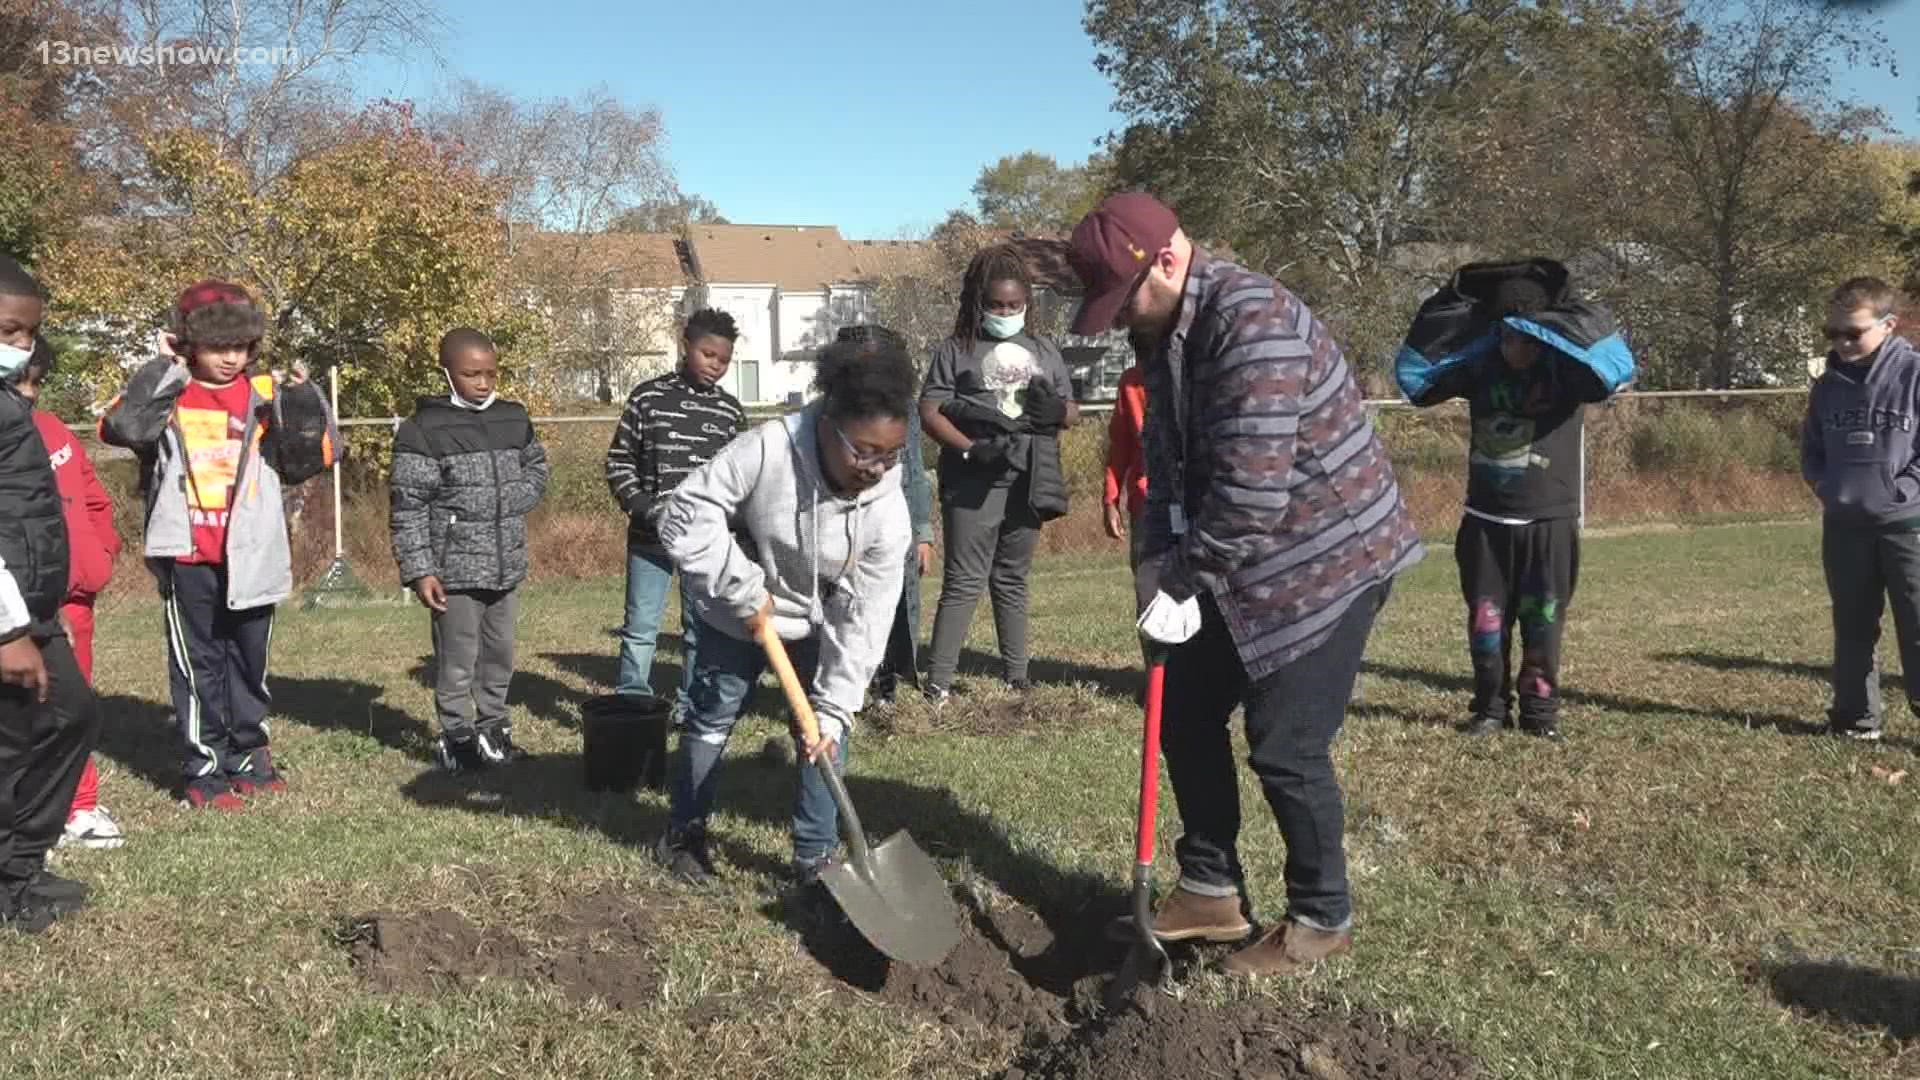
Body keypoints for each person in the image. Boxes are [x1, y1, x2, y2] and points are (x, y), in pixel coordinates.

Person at [1068, 193, 1421, 977]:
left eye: (1125, 301)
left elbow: (1252, 497)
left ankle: (1321, 922)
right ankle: (1209, 891)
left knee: (1286, 745)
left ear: (1166, 260)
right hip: (1237, 560)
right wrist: (1156, 580)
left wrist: (1185, 578)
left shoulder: (1251, 321)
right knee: (1184, 711)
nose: (1124, 319)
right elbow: (1165, 469)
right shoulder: (1163, 334)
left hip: (1328, 559)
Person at [653, 334, 914, 886]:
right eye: (864, 451)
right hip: (736, 610)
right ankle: (683, 835)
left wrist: (839, 703)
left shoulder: (888, 511)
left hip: (815, 616)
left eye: (891, 455)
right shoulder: (769, 448)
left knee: (823, 730)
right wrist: (739, 585)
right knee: (713, 718)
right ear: (828, 424)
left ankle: (814, 859)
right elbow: (683, 513)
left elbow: (867, 616)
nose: (875, 468)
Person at [99, 280, 338, 810]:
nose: (230, 359)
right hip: (188, 557)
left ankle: (249, 755)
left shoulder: (266, 396)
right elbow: (120, 428)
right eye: (216, 347)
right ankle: (205, 769)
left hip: (252, 554)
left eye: (240, 347)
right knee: (199, 665)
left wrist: (303, 402)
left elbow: (318, 456)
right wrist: (163, 368)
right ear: (187, 343)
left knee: (249, 662)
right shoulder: (170, 392)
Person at [1394, 260, 1635, 739]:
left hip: (1549, 524)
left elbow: (1614, 364)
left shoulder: (1570, 372)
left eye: (1525, 338)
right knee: (1487, 624)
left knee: (1542, 624)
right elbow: (1415, 376)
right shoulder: (1480, 367)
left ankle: (1540, 717)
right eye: (1506, 336)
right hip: (1485, 523)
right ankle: (1489, 710)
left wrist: (1554, 311)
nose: (1514, 348)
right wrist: (1458, 302)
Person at [918, 244, 1078, 703]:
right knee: (965, 579)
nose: (1006, 312)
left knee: (1012, 576)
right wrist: (970, 449)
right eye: (996, 305)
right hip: (974, 481)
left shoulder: (1044, 349)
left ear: (1027, 303)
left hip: (1030, 478)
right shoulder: (957, 350)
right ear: (978, 303)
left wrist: (1060, 412)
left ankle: (1017, 676)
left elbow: (1071, 410)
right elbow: (930, 410)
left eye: (1014, 305)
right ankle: (939, 684)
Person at [390, 328, 550, 773]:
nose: (483, 383)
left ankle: (494, 729)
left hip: (506, 565)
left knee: (499, 656)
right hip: (453, 571)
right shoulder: (423, 430)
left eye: (490, 374)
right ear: (447, 372)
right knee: (458, 659)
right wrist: (420, 570)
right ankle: (457, 735)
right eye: (471, 374)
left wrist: (517, 497)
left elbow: (537, 467)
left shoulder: (514, 417)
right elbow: (408, 507)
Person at [0, 255, 101, 931]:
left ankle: (19, 869)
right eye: (8, 330)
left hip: (31, 611)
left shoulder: (11, 405)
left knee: (72, 714)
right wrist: (6, 630)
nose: (19, 347)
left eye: (27, 334)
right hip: (6, 621)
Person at [604, 309, 746, 715]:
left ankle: (692, 706)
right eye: (707, 354)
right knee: (640, 628)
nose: (715, 366)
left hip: (705, 544)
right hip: (651, 541)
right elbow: (618, 462)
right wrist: (645, 508)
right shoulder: (647, 398)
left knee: (700, 630)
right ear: (686, 346)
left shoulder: (730, 413)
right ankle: (632, 703)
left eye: (723, 360)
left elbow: (741, 481)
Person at [16, 338, 125, 847]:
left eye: (36, 381)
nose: (29, 393)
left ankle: (78, 807)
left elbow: (94, 498)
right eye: (19, 382)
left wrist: (101, 553)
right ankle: (31, 812)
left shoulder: (56, 430)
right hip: (23, 609)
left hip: (75, 602)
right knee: (29, 712)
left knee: (75, 708)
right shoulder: (8, 437)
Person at [1801, 276, 1920, 741]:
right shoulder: (1827, 385)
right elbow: (1812, 449)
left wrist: (1902, 491)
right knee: (1851, 625)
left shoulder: (1913, 375)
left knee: (1916, 624)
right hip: (1844, 526)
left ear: (1888, 325)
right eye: (1834, 333)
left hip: (1907, 525)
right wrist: (1826, 486)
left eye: (1854, 332)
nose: (1843, 343)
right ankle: (1855, 718)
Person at [838, 323, 934, 710]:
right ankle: (846, 686)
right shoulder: (833, 411)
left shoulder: (904, 409)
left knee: (891, 607)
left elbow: (915, 473)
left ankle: (886, 684)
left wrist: (922, 532)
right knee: (850, 609)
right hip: (847, 525)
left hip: (894, 526)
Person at [1103, 352, 1150, 674]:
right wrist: (1111, 497)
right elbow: (1120, 444)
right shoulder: (1132, 382)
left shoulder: (1203, 372)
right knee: (1149, 593)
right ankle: (1157, 677)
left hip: (1200, 501)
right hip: (1148, 504)